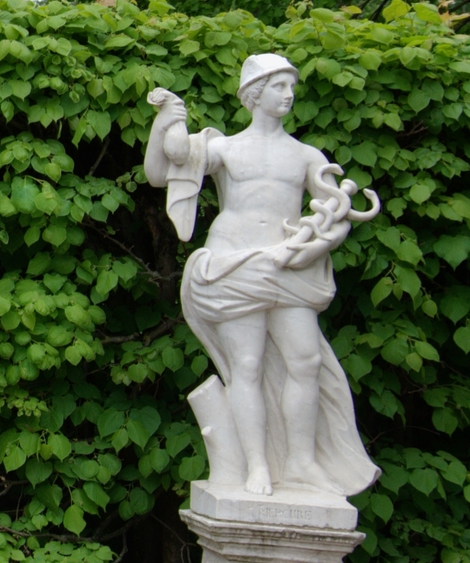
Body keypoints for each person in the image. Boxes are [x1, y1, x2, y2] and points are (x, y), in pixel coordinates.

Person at [146, 55, 381, 497]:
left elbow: (337, 212)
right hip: (234, 265)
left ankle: (300, 462)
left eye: (291, 86)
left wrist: (321, 243)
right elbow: (161, 171)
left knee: (306, 361)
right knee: (247, 366)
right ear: (254, 93)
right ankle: (257, 466)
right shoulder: (225, 148)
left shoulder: (307, 155)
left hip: (291, 266)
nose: (288, 95)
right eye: (278, 86)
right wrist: (166, 122)